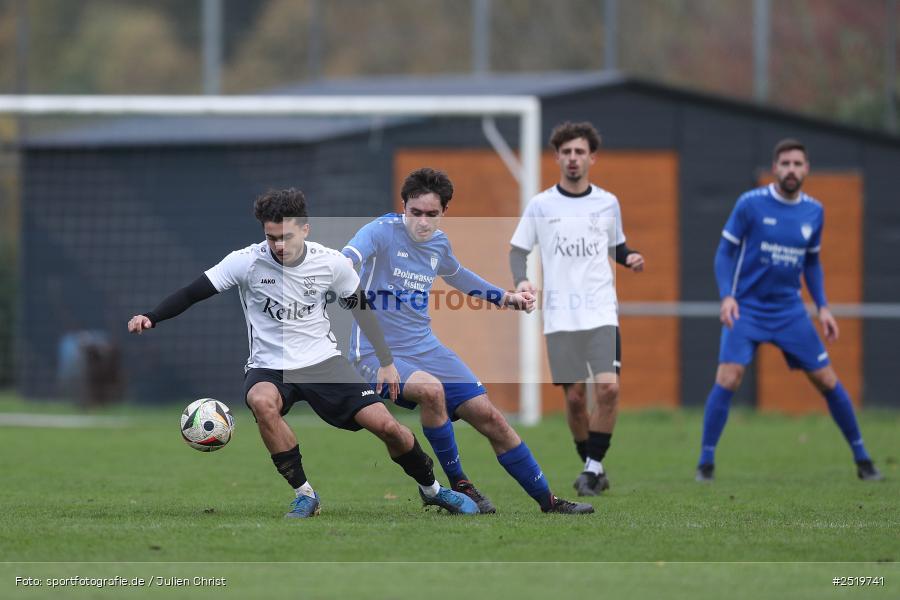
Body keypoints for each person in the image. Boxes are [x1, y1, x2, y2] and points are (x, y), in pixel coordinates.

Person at [127, 188, 479, 518]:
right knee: (262, 402)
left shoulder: (331, 263)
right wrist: (152, 316)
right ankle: (305, 495)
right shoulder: (245, 261)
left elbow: (361, 309)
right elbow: (192, 293)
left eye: (286, 237)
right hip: (269, 366)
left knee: (388, 427)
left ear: (305, 230)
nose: (278, 245)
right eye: (271, 237)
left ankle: (432, 490)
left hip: (323, 362)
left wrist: (387, 363)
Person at [342, 167, 594, 515]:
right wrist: (338, 269)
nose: (423, 222)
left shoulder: (439, 244)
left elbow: (458, 275)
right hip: (375, 353)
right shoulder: (380, 232)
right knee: (431, 391)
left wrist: (506, 298)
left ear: (445, 212)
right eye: (415, 213)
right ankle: (460, 486)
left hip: (424, 347)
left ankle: (548, 502)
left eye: (432, 214)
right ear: (403, 206)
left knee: (490, 416)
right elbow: (348, 259)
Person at [695, 139, 883, 482]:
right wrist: (727, 296)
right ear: (775, 167)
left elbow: (812, 262)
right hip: (747, 309)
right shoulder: (750, 204)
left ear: (806, 168)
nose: (791, 170)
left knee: (826, 379)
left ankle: (863, 459)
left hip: (789, 311)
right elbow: (724, 253)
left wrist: (823, 307)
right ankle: (705, 463)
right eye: (785, 163)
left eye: (798, 163)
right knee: (728, 377)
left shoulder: (815, 211)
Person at [509, 121, 645, 497]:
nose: (573, 158)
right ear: (557, 158)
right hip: (560, 315)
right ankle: (592, 463)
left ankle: (592, 468)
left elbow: (617, 245)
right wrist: (521, 280)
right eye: (566, 152)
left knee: (608, 388)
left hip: (601, 312)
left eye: (579, 152)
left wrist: (629, 256)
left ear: (592, 157)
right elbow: (518, 250)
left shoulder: (607, 202)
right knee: (573, 398)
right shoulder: (541, 204)